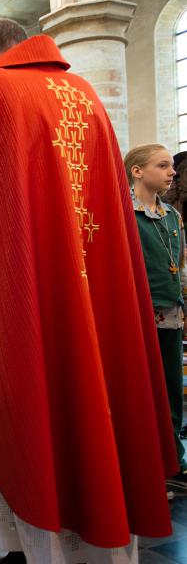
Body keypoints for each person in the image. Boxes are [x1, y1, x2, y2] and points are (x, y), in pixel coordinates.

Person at [0, 19, 176, 563]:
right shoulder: (88, 95)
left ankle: (26, 543)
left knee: (25, 398)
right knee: (93, 394)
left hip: (26, 298)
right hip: (95, 294)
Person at [127, 144, 187, 491]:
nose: (172, 172)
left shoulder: (172, 216)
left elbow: (179, 263)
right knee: (141, 389)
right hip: (139, 312)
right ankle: (141, 462)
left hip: (171, 311)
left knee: (171, 391)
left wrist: (182, 299)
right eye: (163, 166)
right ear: (137, 171)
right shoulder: (123, 212)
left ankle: (173, 460)